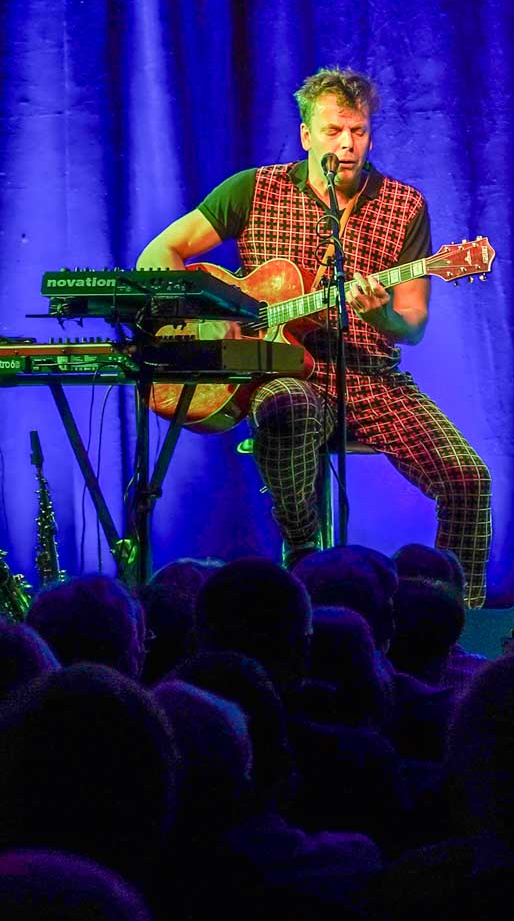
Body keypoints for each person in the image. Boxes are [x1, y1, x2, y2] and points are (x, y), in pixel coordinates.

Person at [138, 68, 491, 605]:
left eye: (359, 131)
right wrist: (211, 316)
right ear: (307, 135)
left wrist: (381, 319)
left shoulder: (403, 206)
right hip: (283, 371)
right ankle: (305, 549)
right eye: (333, 131)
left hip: (372, 377)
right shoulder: (254, 190)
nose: (347, 144)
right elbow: (158, 255)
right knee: (286, 407)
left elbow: (412, 325)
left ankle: (446, 619)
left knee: (469, 480)